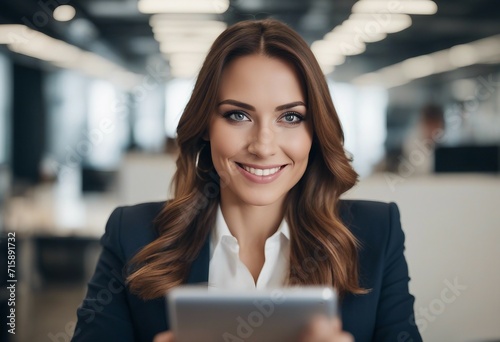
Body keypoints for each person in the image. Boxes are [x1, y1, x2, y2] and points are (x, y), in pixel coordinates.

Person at [72, 19, 422, 342]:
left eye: (290, 116)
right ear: (206, 126)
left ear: (315, 131)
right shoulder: (132, 235)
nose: (263, 146)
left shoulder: (377, 234)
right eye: (237, 115)